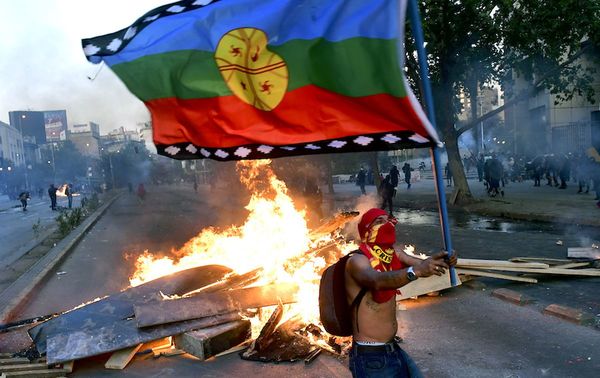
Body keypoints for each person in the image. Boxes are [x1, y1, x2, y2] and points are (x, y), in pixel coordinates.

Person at [345, 208, 457, 377]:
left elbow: (422, 264)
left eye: (388, 220)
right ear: (366, 231)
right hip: (371, 357)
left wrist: (442, 260)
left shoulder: (393, 254)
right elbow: (377, 280)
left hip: (392, 349)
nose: (387, 224)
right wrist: (416, 271)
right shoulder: (356, 260)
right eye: (379, 221)